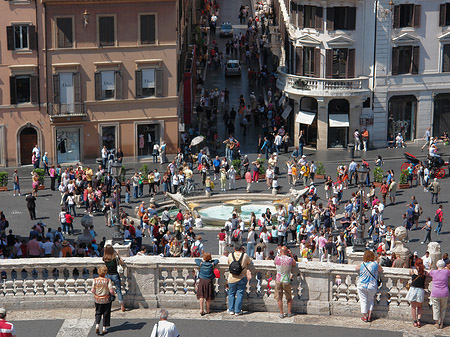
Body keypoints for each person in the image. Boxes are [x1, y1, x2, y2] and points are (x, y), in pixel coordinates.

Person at [355, 250, 383, 322]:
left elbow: (356, 268)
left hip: (361, 285)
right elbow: (381, 270)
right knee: (370, 300)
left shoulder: (362, 264)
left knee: (363, 300)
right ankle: (369, 316)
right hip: (372, 286)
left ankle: (365, 316)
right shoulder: (375, 264)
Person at [227, 243, 251, 315]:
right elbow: (249, 262)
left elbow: (229, 263)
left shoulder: (230, 255)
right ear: (241, 249)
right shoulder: (245, 255)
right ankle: (237, 310)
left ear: (234, 249)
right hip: (241, 277)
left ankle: (231, 310)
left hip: (232, 277)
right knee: (240, 294)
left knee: (231, 293)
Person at [91, 265, 115, 336]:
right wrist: (113, 294)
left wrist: (96, 292)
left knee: (98, 312)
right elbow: (111, 290)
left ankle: (97, 325)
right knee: (106, 313)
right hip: (106, 299)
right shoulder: (108, 280)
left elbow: (92, 290)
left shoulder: (95, 280)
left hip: (98, 299)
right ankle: (104, 328)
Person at [274, 246, 296, 318]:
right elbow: (294, 264)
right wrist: (291, 254)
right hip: (286, 280)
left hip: (278, 280)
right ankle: (289, 312)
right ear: (287, 251)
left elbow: (275, 263)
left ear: (280, 251)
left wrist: (280, 254)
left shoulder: (277, 258)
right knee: (289, 297)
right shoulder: (289, 259)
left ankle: (281, 313)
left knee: (279, 298)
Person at [102, 245, 125, 312]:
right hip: (115, 274)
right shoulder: (115, 257)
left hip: (108, 275)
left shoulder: (104, 258)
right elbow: (122, 262)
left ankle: (108, 307)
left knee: (107, 291)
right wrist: (118, 254)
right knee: (118, 290)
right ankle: (122, 306)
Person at [406, 258, 427, 328]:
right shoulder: (424, 273)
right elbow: (427, 273)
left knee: (413, 307)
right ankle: (419, 321)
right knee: (419, 307)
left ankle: (415, 321)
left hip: (413, 290)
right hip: (421, 290)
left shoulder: (412, 271)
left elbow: (410, 272)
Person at [429, 260, 450, 329]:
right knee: (443, 308)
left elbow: (429, 272)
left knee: (436, 308)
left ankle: (437, 322)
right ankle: (442, 323)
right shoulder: (446, 272)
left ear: (437, 265)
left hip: (435, 292)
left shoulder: (434, 272)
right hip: (445, 292)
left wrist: (431, 267)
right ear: (443, 266)